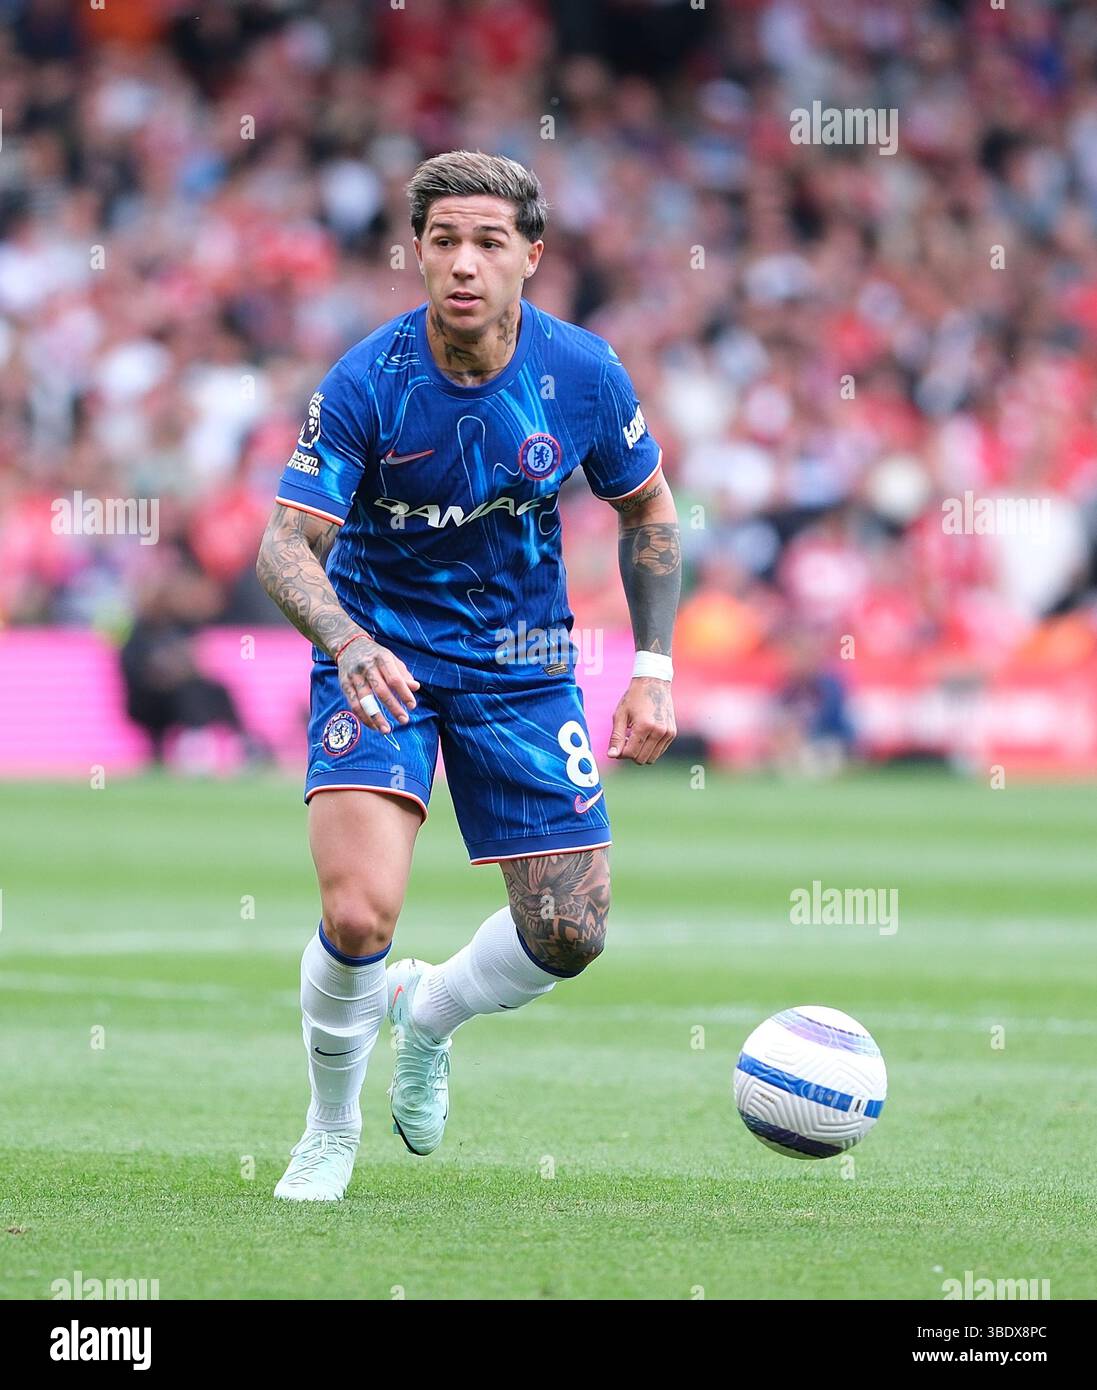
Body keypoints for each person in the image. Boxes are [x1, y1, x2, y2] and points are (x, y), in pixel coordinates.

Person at [256, 150, 681, 1201]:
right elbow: (281, 545)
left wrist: (653, 667)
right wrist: (349, 642)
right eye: (442, 240)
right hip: (381, 662)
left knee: (571, 933)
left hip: (523, 664)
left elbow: (648, 512)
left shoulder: (580, 372)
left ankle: (430, 1012)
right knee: (358, 916)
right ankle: (327, 1129)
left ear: (529, 256)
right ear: (415, 253)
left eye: (488, 241)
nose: (463, 262)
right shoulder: (366, 381)